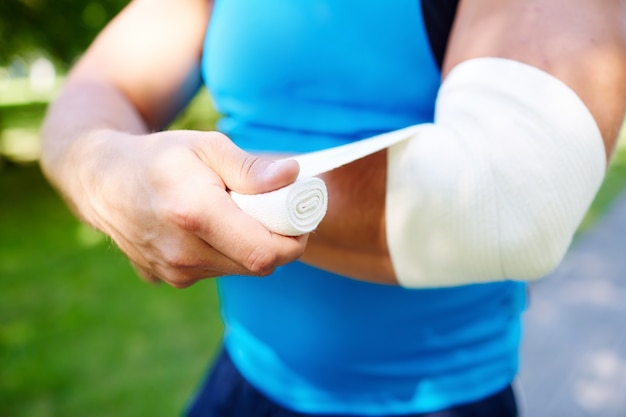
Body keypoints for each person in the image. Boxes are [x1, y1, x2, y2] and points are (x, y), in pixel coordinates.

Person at [40, 0, 626, 416]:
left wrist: (192, 189)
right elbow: (97, 94)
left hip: (438, 398)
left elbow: (511, 197)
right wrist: (104, 170)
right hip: (244, 376)